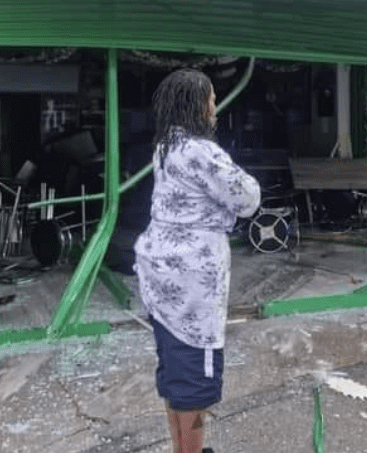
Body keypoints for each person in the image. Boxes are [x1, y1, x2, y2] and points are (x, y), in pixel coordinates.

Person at [134, 69, 260, 453]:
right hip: (191, 288)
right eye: (211, 99)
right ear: (197, 106)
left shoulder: (166, 147)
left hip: (161, 279)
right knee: (193, 383)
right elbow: (248, 197)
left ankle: (183, 449)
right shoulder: (200, 152)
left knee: (175, 372)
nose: (214, 108)